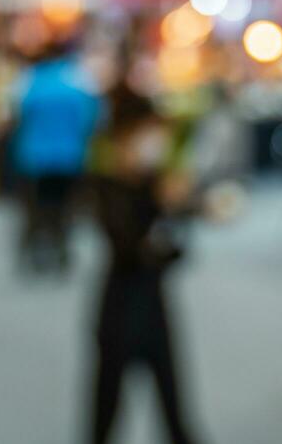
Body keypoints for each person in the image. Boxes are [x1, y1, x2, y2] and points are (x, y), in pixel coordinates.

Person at [87, 84, 202, 444]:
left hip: (154, 306)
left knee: (174, 408)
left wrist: (176, 205)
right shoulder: (107, 185)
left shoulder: (157, 182)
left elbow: (176, 247)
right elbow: (129, 248)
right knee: (105, 412)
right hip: (119, 309)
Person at [12, 40, 101, 274]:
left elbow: (17, 116)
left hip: (34, 157)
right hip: (70, 157)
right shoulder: (79, 81)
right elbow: (94, 120)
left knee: (35, 209)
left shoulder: (30, 81)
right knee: (63, 208)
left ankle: (30, 255)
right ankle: (62, 252)